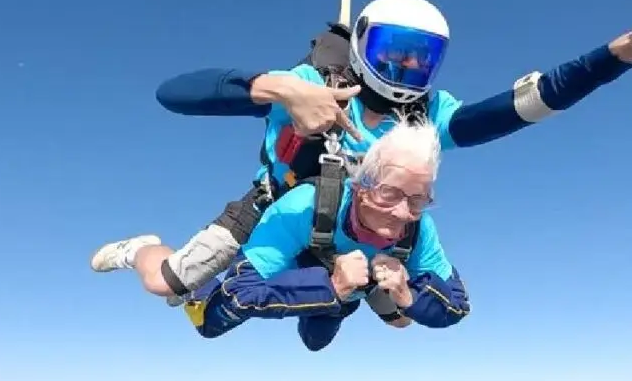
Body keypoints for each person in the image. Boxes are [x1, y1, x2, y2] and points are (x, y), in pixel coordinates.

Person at [91, 0, 632, 313]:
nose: (406, 68)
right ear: (363, 47)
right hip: (271, 212)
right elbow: (171, 94)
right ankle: (139, 245)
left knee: (379, 311)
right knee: (169, 284)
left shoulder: (431, 116)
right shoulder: (310, 87)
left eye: (422, 57)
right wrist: (281, 88)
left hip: (367, 232)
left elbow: (525, 105)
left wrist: (623, 53)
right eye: (392, 54)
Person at [180, 121, 469, 351]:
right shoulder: (306, 205)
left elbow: (457, 305)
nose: (403, 212)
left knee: (380, 324)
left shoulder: (419, 229)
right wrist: (331, 286)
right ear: (360, 188)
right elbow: (240, 293)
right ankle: (167, 266)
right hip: (309, 267)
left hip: (360, 282)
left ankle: (361, 297)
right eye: (388, 194)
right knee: (210, 324)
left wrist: (405, 294)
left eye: (418, 200)